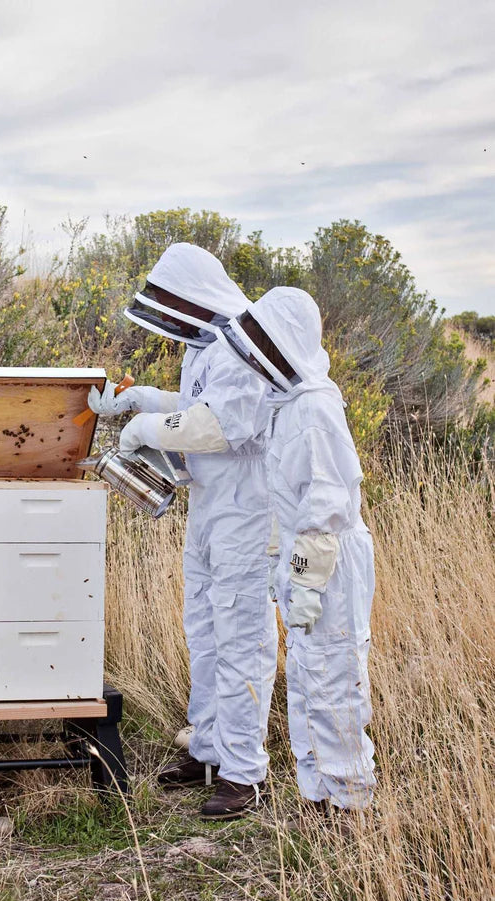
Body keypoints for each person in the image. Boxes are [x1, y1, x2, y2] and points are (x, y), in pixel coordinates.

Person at [90, 244, 278, 819]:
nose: (170, 321)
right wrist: (141, 401)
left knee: (242, 638)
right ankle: (208, 750)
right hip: (210, 507)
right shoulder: (204, 348)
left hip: (247, 511)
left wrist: (148, 425)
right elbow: (196, 405)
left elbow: (219, 425)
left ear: (195, 298)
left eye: (173, 306)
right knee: (204, 630)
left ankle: (242, 773)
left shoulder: (242, 346)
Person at [214, 286, 376, 813]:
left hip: (329, 562)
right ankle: (319, 796)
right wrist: (282, 564)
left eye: (265, 341)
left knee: (332, 678)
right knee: (306, 679)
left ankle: (350, 804)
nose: (257, 355)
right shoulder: (287, 404)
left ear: (285, 343)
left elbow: (326, 504)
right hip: (306, 556)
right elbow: (283, 496)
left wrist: (306, 580)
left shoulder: (313, 408)